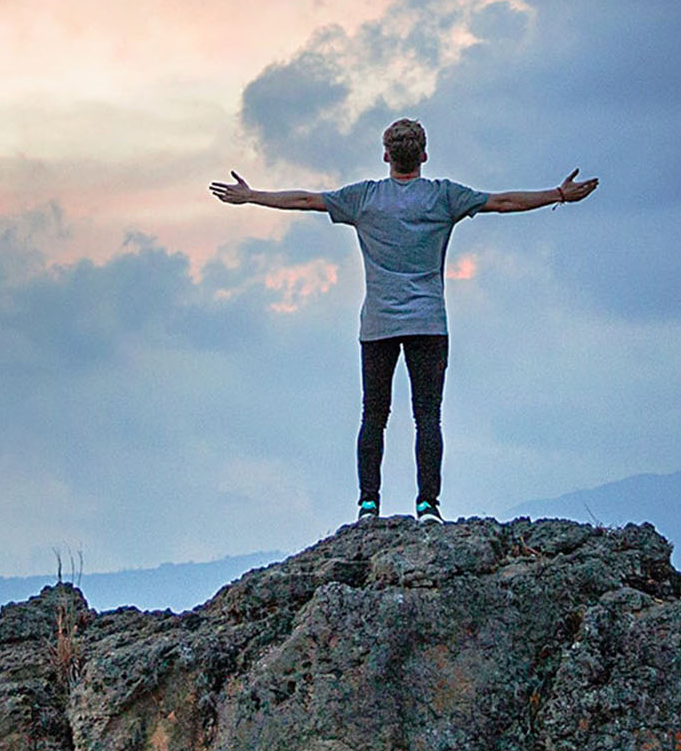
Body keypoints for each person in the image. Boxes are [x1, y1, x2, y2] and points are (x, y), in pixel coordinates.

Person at [210, 117, 598, 523]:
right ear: (425, 155)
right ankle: (428, 505)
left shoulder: (364, 199)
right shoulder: (445, 197)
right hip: (428, 322)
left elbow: (306, 200)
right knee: (428, 415)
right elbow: (503, 202)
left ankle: (368, 505)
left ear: (386, 155)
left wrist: (252, 196)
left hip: (378, 324)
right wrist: (559, 194)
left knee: (373, 416)